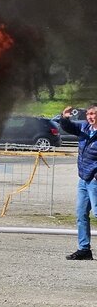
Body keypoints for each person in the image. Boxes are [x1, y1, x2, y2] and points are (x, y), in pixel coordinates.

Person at [60, 104, 97, 260]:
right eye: (89, 114)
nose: (90, 116)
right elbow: (68, 127)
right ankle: (84, 249)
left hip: (95, 179)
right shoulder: (84, 128)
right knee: (81, 214)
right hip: (83, 179)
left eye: (94, 114)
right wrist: (64, 117)